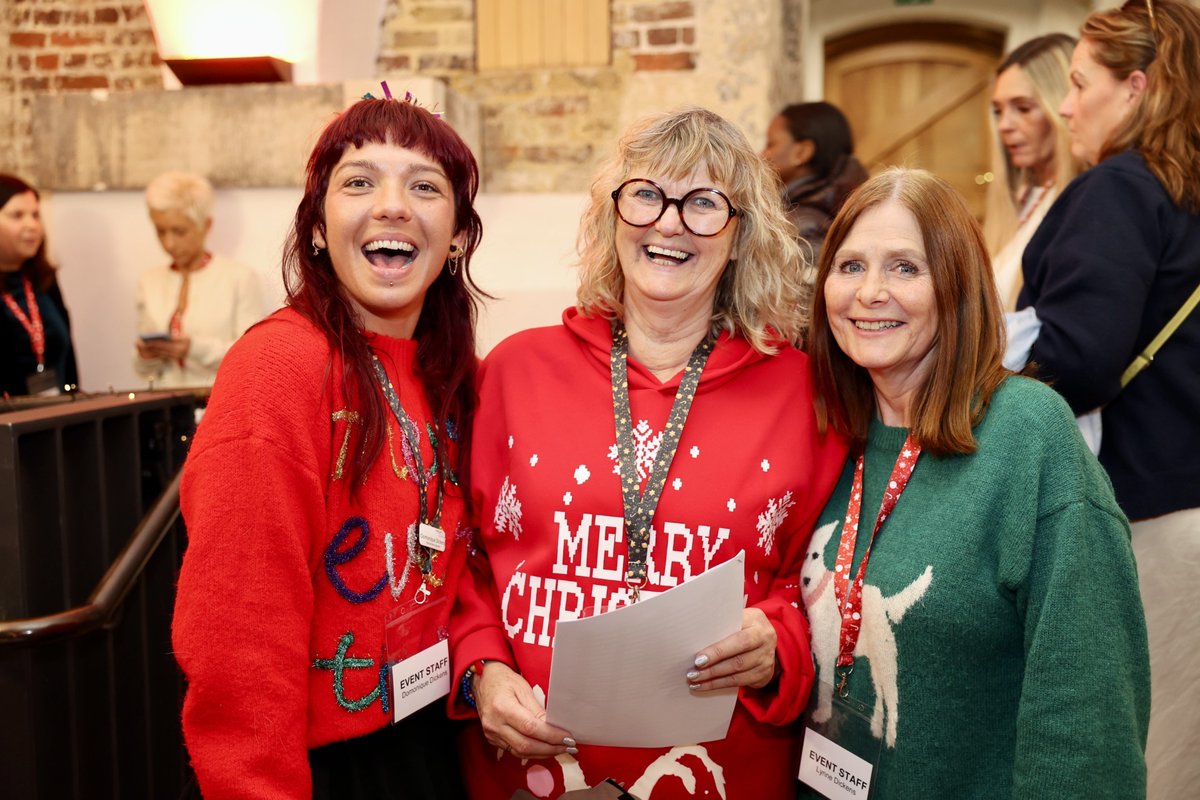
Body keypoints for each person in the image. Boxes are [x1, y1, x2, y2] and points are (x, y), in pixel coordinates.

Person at [449, 107, 848, 799]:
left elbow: (821, 584)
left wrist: (776, 640)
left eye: (703, 204)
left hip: (721, 771)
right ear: (613, 215)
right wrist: (482, 669)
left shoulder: (805, 396)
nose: (668, 223)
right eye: (646, 195)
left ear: (740, 234)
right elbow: (464, 556)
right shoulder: (515, 371)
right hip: (533, 768)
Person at [799, 167, 1149, 798]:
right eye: (850, 266)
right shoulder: (826, 436)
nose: (870, 292)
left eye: (906, 267)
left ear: (958, 287)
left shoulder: (1029, 437)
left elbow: (1088, 716)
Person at [171, 94, 484, 799]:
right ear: (316, 228)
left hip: (429, 740)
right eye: (360, 181)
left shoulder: (448, 373)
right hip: (321, 767)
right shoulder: (277, 370)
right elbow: (238, 643)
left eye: (424, 186)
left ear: (459, 235)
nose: (393, 206)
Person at [1015, 2, 1200, 796]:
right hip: (1187, 499)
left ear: (1136, 88)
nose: (1064, 105)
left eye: (1079, 84)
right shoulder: (1181, 190)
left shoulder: (1120, 188)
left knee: (1152, 756)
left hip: (1152, 517)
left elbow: (1081, 357)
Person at [134, 171, 263, 388]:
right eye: (160, 231)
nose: (169, 243)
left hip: (220, 404)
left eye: (179, 231)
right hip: (164, 407)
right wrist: (147, 355)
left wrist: (193, 349)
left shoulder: (239, 278)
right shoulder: (150, 281)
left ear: (206, 225)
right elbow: (143, 370)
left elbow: (251, 358)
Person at [984, 33, 1083, 310]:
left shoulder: (1081, 204)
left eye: (1023, 108)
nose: (1004, 125)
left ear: (1062, 106)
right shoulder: (1024, 196)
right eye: (998, 111)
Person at [760, 101, 868, 265]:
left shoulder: (805, 226)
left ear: (803, 152)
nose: (763, 155)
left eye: (770, 144)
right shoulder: (821, 209)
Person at [0, 174, 79, 397]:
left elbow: (69, 362)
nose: (32, 225)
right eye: (17, 215)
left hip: (54, 422)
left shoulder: (44, 281)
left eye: (36, 215)